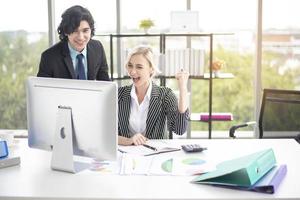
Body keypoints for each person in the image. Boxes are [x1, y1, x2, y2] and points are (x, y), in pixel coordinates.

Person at [118, 46, 189, 146]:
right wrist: (129, 141)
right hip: (126, 154)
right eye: (130, 66)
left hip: (155, 155)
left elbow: (179, 129)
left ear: (151, 69)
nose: (132, 72)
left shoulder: (165, 95)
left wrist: (183, 88)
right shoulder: (119, 94)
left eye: (139, 67)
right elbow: (107, 133)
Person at [37, 5, 110, 81]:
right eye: (75, 31)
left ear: (91, 30)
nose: (81, 37)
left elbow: (105, 82)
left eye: (85, 31)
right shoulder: (49, 57)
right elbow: (42, 91)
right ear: (66, 31)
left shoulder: (98, 48)